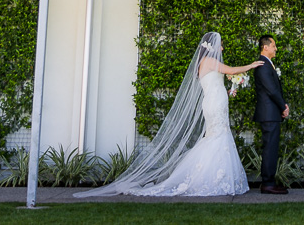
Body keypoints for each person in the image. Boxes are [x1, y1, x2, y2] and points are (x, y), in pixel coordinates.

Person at [74, 31, 263, 197]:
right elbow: (230, 70)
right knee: (217, 136)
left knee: (216, 135)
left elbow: (221, 76)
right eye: (220, 46)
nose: (221, 49)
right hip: (215, 103)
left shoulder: (204, 62)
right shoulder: (210, 61)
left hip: (215, 101)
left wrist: (232, 82)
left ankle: (215, 177)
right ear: (213, 46)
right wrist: (250, 65)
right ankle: (211, 179)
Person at [254, 34, 288, 194]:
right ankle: (267, 183)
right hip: (269, 114)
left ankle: (270, 181)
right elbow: (272, 90)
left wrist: (283, 105)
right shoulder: (262, 65)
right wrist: (283, 106)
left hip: (271, 113)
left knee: (272, 148)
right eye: (273, 45)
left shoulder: (267, 64)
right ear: (265, 47)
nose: (276, 48)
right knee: (270, 148)